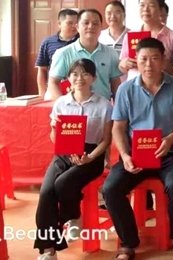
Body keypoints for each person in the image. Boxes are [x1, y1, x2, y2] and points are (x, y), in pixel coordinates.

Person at [103, 37, 173, 260]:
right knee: (111, 189)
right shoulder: (125, 89)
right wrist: (125, 155)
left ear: (163, 60)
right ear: (136, 61)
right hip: (136, 154)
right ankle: (128, 243)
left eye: (154, 58)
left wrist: (171, 139)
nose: (149, 64)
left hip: (169, 153)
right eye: (143, 59)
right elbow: (119, 127)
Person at [34, 59, 112, 260]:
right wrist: (60, 137)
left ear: (93, 78)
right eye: (75, 74)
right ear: (68, 78)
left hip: (91, 155)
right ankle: (49, 250)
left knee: (62, 184)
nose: (79, 78)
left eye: (85, 74)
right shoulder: (61, 103)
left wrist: (90, 157)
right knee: (46, 192)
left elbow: (106, 140)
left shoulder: (104, 105)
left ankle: (72, 216)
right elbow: (54, 135)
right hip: (64, 152)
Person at [46, 9, 122, 101]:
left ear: (101, 27)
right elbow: (53, 83)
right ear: (77, 27)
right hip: (73, 107)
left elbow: (115, 84)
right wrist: (63, 105)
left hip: (103, 107)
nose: (90, 26)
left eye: (95, 23)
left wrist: (118, 106)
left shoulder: (111, 53)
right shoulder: (63, 53)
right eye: (86, 23)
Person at [119, 0, 173, 81]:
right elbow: (121, 67)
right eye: (142, 5)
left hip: (163, 86)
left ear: (161, 10)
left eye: (151, 5)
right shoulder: (130, 35)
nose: (145, 9)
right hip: (134, 86)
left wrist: (163, 64)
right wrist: (124, 64)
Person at [35, 8, 79, 96]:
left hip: (78, 89)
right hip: (55, 88)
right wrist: (42, 94)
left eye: (76, 23)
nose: (74, 26)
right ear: (59, 24)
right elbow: (42, 69)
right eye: (70, 23)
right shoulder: (48, 42)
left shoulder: (82, 41)